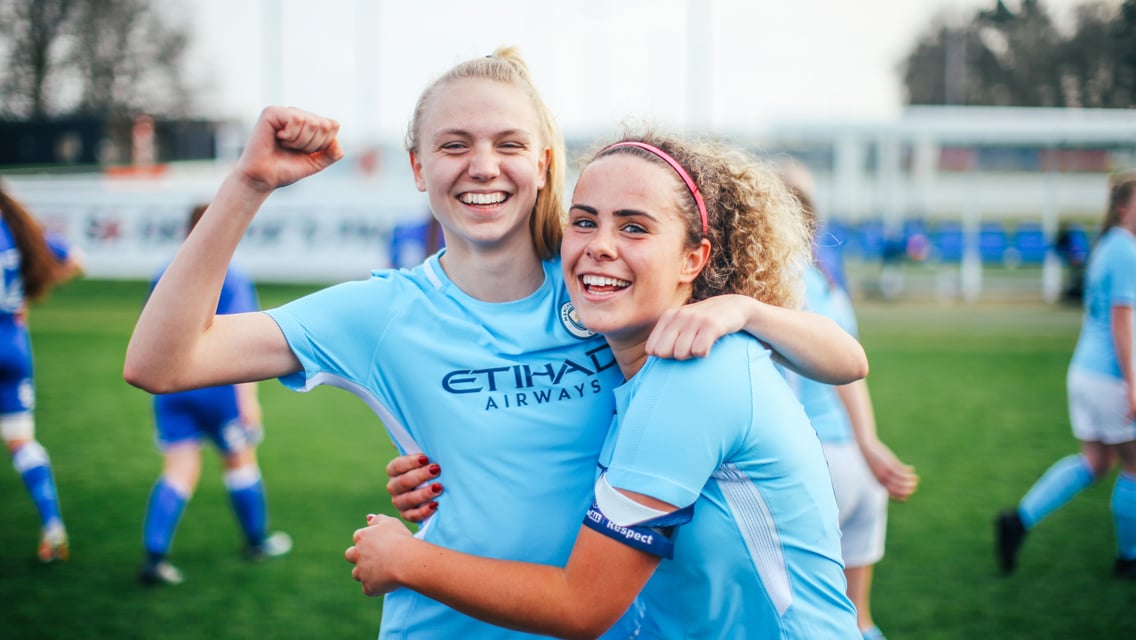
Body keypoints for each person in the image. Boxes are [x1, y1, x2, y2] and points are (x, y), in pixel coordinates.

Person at [123, 48, 866, 638]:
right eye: (454, 145)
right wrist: (247, 186)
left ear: (545, 164)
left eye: (509, 143)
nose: (482, 166)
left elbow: (835, 359)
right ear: (419, 167)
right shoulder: (382, 313)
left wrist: (743, 309)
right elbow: (163, 362)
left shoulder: (606, 287)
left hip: (604, 621)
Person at [346, 132, 863, 639]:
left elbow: (582, 605)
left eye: (634, 227)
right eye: (584, 221)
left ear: (693, 259)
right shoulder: (625, 364)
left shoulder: (691, 375)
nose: (601, 246)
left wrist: (407, 560)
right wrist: (446, 474)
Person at [780, 177, 919, 640]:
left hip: (821, 463)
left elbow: (836, 372)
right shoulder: (826, 274)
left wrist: (865, 441)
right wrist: (868, 444)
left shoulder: (788, 279)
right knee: (858, 618)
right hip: (856, 466)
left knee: (800, 619)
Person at [137, 203, 292, 587]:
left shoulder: (165, 271)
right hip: (216, 387)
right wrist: (248, 402)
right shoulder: (231, 275)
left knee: (178, 470)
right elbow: (242, 343)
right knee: (240, 461)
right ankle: (257, 542)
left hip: (172, 388)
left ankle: (154, 556)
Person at [996, 173, 1136, 579]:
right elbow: (1122, 321)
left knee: (1094, 462)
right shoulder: (1125, 250)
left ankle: (1017, 521)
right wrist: (1132, 382)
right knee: (1132, 466)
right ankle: (1128, 558)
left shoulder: (1108, 245)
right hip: (1110, 375)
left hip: (1086, 372)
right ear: (1124, 208)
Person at [1, 182, 84, 562]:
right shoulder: (17, 228)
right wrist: (29, 293)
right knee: (21, 441)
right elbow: (76, 260)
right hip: (14, 342)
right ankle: (53, 527)